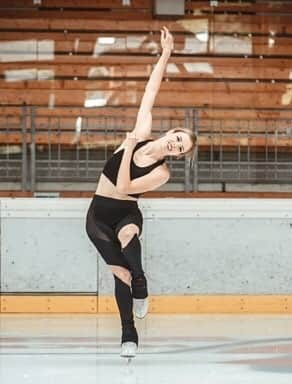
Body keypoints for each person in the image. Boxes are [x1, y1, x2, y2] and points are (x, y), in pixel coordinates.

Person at [85, 27, 197, 359]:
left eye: (180, 148)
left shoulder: (160, 172)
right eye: (179, 137)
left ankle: (136, 306)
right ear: (172, 131)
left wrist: (130, 144)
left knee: (130, 237)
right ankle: (130, 311)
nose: (176, 144)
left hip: (125, 212)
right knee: (118, 273)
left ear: (176, 155)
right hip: (97, 217)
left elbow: (123, 187)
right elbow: (151, 91)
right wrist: (165, 54)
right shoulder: (144, 130)